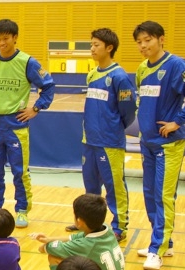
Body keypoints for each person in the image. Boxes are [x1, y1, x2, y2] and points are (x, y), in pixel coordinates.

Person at [133, 21, 185, 270]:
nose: (143, 46)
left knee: (164, 196)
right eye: (139, 42)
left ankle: (157, 248)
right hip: (148, 143)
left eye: (148, 40)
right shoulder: (142, 69)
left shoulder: (176, 65)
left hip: (168, 145)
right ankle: (165, 241)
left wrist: (178, 121)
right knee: (150, 195)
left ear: (161, 39)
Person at [0, 19, 55, 227]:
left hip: (17, 127)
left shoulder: (28, 62)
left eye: (5, 39)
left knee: (20, 172)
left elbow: (48, 86)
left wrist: (36, 108)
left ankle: (22, 210)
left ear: (15, 38)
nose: (2, 43)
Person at [65, 28, 136, 244]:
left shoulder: (120, 77)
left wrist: (113, 127)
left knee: (114, 186)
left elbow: (128, 111)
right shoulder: (93, 74)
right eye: (91, 44)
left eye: (96, 45)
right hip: (90, 141)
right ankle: (89, 223)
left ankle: (119, 226)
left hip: (110, 143)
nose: (92, 48)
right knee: (91, 187)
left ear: (109, 47)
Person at [30, 194, 125, 270]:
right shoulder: (106, 229)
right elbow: (74, 238)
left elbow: (53, 249)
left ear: (79, 221)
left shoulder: (88, 245)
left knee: (53, 265)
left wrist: (44, 247)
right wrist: (49, 239)